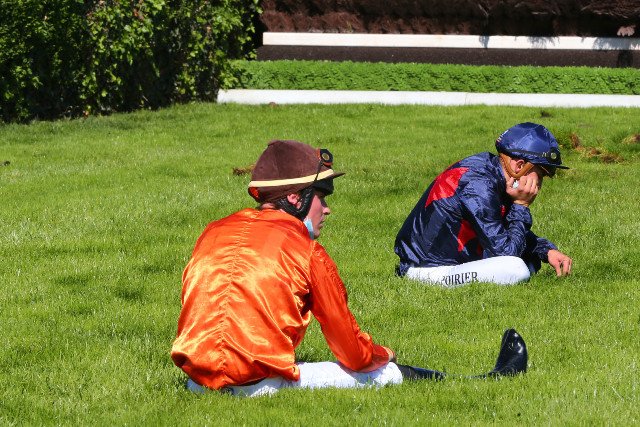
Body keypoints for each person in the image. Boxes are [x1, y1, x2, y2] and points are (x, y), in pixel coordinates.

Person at [171, 139, 527, 397]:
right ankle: (485, 380)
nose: (326, 209)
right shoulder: (308, 251)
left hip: (196, 383)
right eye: (321, 197)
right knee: (383, 374)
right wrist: (384, 355)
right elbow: (352, 353)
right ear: (295, 197)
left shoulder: (211, 232)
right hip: (258, 385)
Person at [395, 122, 573, 287]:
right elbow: (506, 254)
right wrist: (521, 205)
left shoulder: (493, 173)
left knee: (529, 260)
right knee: (516, 268)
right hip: (427, 271)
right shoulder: (478, 186)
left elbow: (500, 228)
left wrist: (545, 250)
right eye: (540, 175)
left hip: (451, 262)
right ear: (520, 166)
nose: (540, 184)